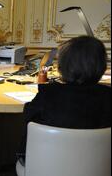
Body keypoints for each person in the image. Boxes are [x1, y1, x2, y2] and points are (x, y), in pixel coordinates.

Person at [17, 36, 111, 166]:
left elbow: (28, 117)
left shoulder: (48, 93)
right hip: (97, 167)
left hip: (45, 164)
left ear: (61, 66)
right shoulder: (107, 96)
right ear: (103, 67)